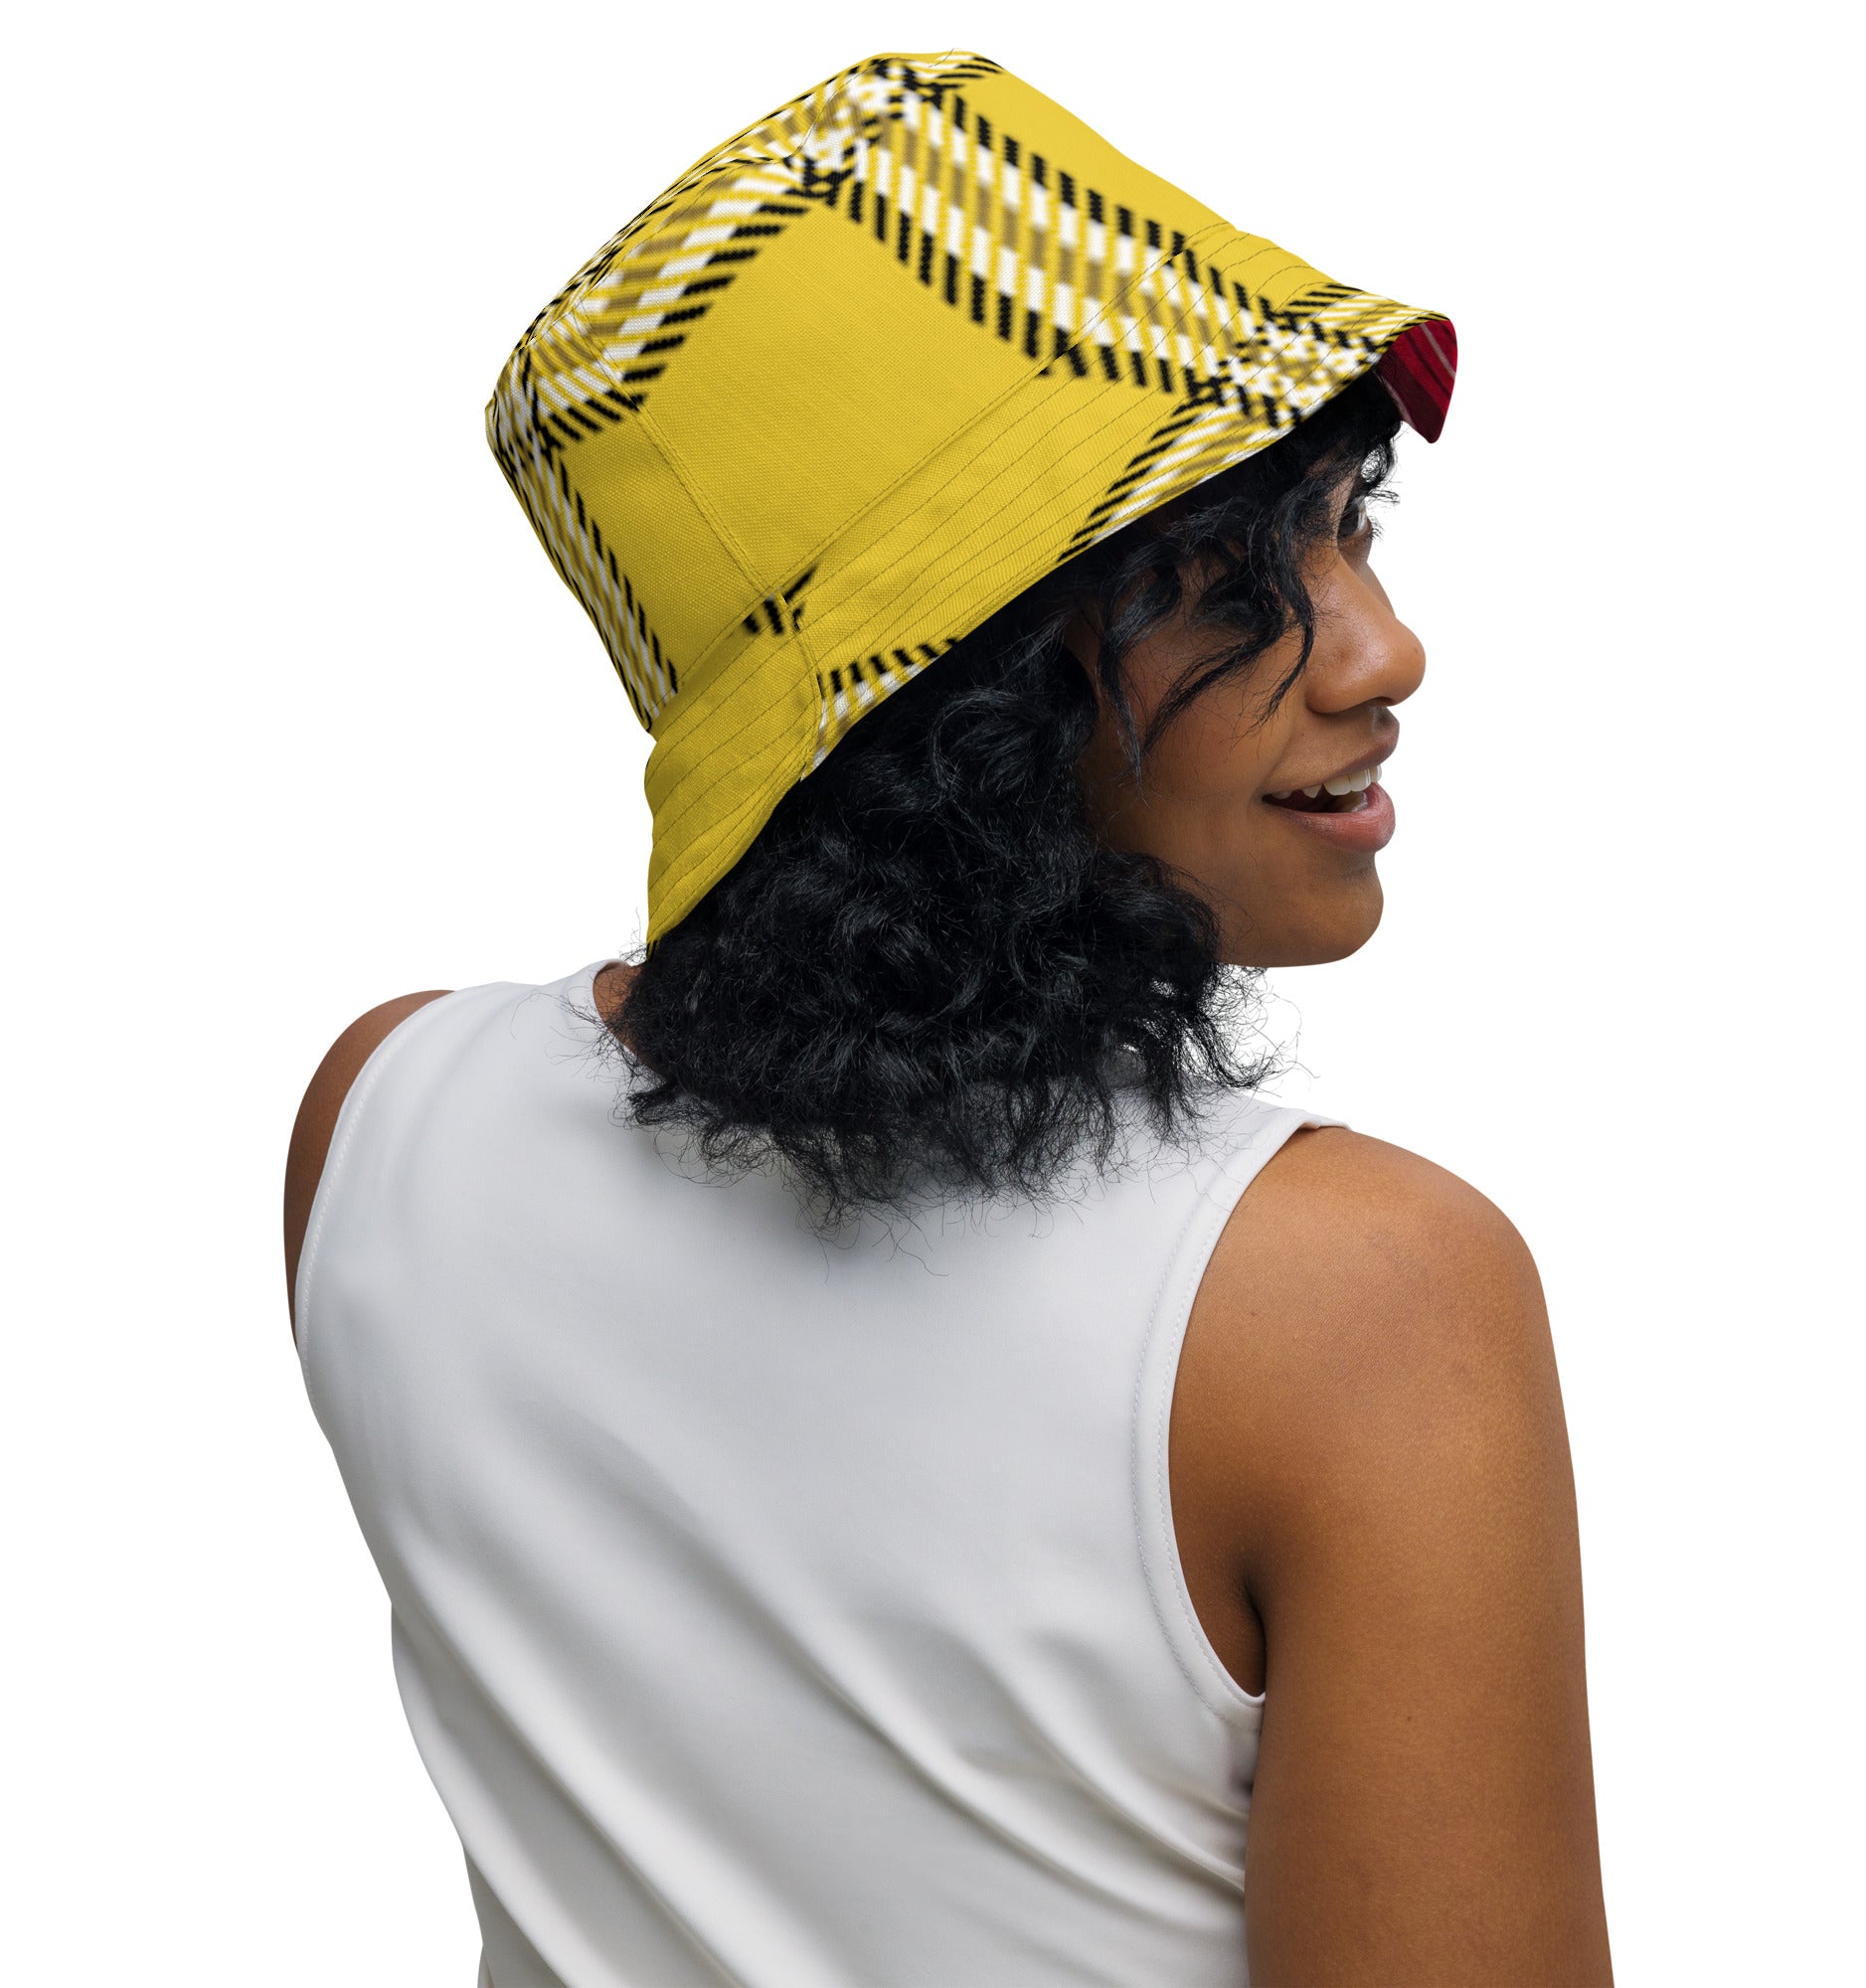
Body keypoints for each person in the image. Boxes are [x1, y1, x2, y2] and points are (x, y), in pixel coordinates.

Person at [285, 51, 1612, 1988]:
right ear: (961, 706)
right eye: (1229, 579)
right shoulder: (1359, 1299)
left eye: (1356, 527)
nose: (1383, 652)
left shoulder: (384, 1119)